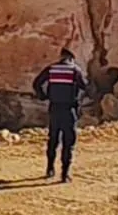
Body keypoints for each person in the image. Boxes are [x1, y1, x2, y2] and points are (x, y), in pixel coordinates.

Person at [33, 47, 88, 182]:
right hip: (69, 109)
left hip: (54, 108)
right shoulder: (75, 70)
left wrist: (43, 96)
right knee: (68, 141)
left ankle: (50, 168)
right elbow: (85, 86)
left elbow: (37, 83)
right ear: (71, 58)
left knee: (53, 139)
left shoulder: (51, 69)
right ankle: (65, 174)